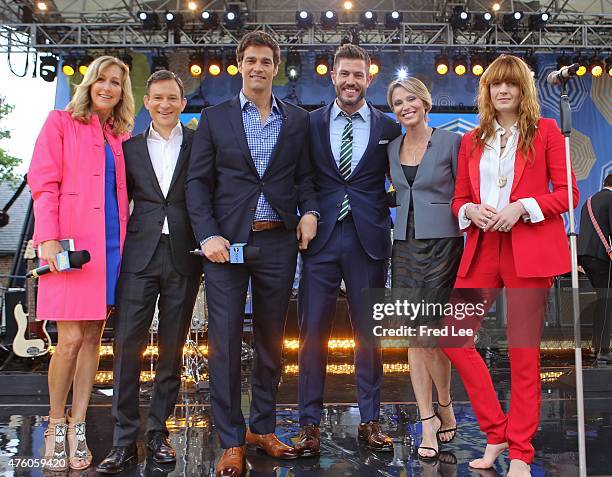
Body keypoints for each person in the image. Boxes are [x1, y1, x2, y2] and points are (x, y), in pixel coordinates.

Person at [185, 31, 319, 477]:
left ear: (275, 66)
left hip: (277, 242)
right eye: (250, 60)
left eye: (265, 61)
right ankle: (230, 441)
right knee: (223, 344)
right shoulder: (214, 118)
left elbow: (304, 178)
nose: (257, 67)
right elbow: (197, 184)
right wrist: (207, 236)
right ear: (238, 64)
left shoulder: (297, 120)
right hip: (225, 247)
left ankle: (261, 428)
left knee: (270, 342)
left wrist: (310, 211)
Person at [441, 54, 578, 477]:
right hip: (483, 248)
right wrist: (470, 213)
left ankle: (520, 451)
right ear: (486, 91)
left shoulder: (547, 132)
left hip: (528, 251)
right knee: (451, 337)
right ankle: (495, 431)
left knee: (522, 354)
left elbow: (569, 192)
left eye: (511, 84)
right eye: (495, 85)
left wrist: (523, 206)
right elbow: (458, 199)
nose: (502, 90)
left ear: (523, 89)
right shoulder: (471, 140)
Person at [293, 44, 401, 457]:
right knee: (311, 336)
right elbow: (303, 178)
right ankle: (309, 425)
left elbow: (403, 180)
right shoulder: (310, 123)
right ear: (332, 75)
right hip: (320, 239)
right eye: (345, 74)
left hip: (368, 239)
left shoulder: (388, 128)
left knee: (368, 337)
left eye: (359, 75)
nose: (351, 81)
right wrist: (309, 211)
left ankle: (371, 421)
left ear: (369, 78)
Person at [28, 55, 134, 471]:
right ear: (89, 83)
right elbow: (43, 180)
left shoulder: (120, 136)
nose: (108, 87)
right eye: (102, 80)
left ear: (124, 93)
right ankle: (55, 424)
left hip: (110, 247)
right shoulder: (60, 122)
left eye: (116, 83)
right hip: (70, 246)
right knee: (69, 340)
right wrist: (48, 238)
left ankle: (78, 425)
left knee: (93, 339)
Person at [96, 70, 202, 474]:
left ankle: (158, 433)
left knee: (172, 350)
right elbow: (112, 199)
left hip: (183, 255)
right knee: (127, 348)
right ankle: (124, 439)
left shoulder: (198, 144)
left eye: (172, 98)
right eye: (157, 98)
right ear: (146, 102)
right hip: (138, 256)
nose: (165, 104)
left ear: (182, 102)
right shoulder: (129, 148)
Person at [386, 77, 463, 460]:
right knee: (412, 337)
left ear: (426, 101)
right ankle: (427, 419)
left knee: (432, 336)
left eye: (410, 98)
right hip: (404, 247)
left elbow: (465, 193)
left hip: (444, 246)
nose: (404, 106)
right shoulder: (391, 148)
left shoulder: (452, 141)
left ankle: (445, 403)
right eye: (397, 102)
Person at [578, 174, 612, 363]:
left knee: (603, 301)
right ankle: (604, 350)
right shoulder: (610, 198)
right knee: (607, 302)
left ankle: (596, 347)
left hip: (586, 256)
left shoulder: (590, 200)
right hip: (600, 257)